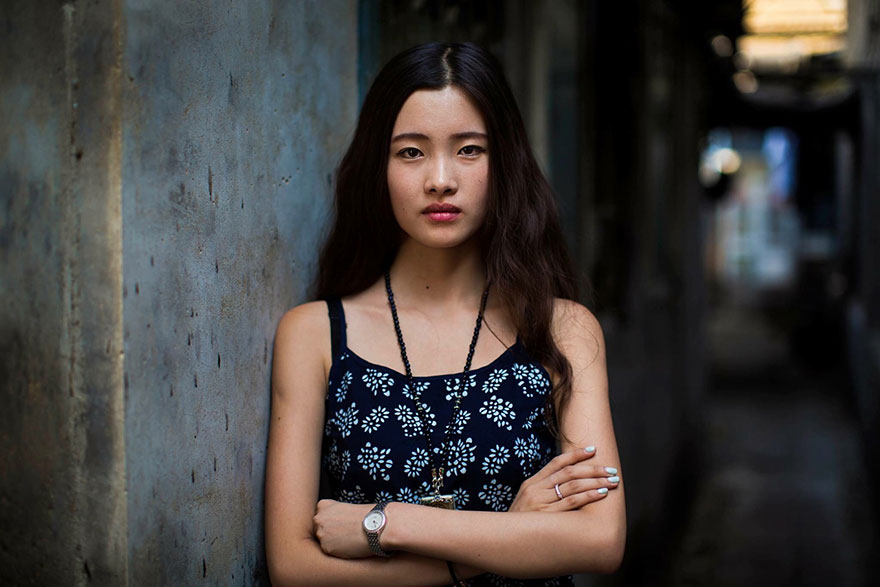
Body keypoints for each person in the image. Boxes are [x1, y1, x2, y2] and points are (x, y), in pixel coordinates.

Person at [265, 42, 625, 586]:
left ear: (504, 163)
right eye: (411, 152)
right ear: (378, 167)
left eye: (469, 150)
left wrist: (387, 525)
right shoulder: (314, 334)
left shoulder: (563, 330)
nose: (440, 179)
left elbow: (599, 541)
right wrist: (504, 536)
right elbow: (293, 568)